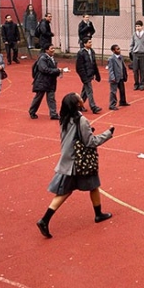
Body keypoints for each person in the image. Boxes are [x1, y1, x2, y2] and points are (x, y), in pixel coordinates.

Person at [35, 92, 114, 239]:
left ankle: (97, 214)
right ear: (78, 103)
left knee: (79, 188)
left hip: (68, 159)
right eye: (79, 98)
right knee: (88, 186)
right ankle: (45, 219)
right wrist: (108, 133)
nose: (81, 99)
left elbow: (75, 135)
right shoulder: (81, 120)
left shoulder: (64, 118)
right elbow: (91, 142)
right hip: (79, 161)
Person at [30, 43, 62, 120]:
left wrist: (58, 72)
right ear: (46, 50)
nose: (53, 50)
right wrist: (57, 70)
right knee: (38, 97)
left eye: (53, 48)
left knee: (51, 98)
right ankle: (32, 111)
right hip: (42, 81)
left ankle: (53, 114)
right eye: (51, 48)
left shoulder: (51, 58)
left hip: (50, 81)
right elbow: (44, 69)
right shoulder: (42, 59)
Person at [76, 37, 103, 114]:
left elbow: (94, 64)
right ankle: (93, 106)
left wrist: (97, 74)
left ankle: (78, 106)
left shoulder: (92, 51)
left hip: (90, 74)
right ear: (84, 44)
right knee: (89, 91)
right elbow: (79, 67)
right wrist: (84, 77)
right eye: (89, 42)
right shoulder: (81, 53)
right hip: (86, 75)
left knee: (85, 91)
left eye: (91, 42)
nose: (91, 44)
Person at [107, 44, 129, 111]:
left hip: (121, 77)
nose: (119, 50)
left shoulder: (121, 57)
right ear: (113, 51)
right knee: (113, 92)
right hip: (115, 77)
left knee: (122, 90)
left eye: (119, 48)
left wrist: (125, 74)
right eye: (117, 49)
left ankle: (123, 101)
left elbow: (123, 66)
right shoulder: (111, 59)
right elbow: (110, 69)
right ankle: (112, 105)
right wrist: (112, 77)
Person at [130, 20, 144, 91]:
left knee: (142, 70)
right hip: (135, 54)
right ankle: (136, 83)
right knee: (135, 70)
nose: (137, 28)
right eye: (136, 26)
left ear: (142, 26)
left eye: (139, 26)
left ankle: (142, 84)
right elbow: (132, 44)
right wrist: (130, 52)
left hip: (143, 54)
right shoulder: (134, 34)